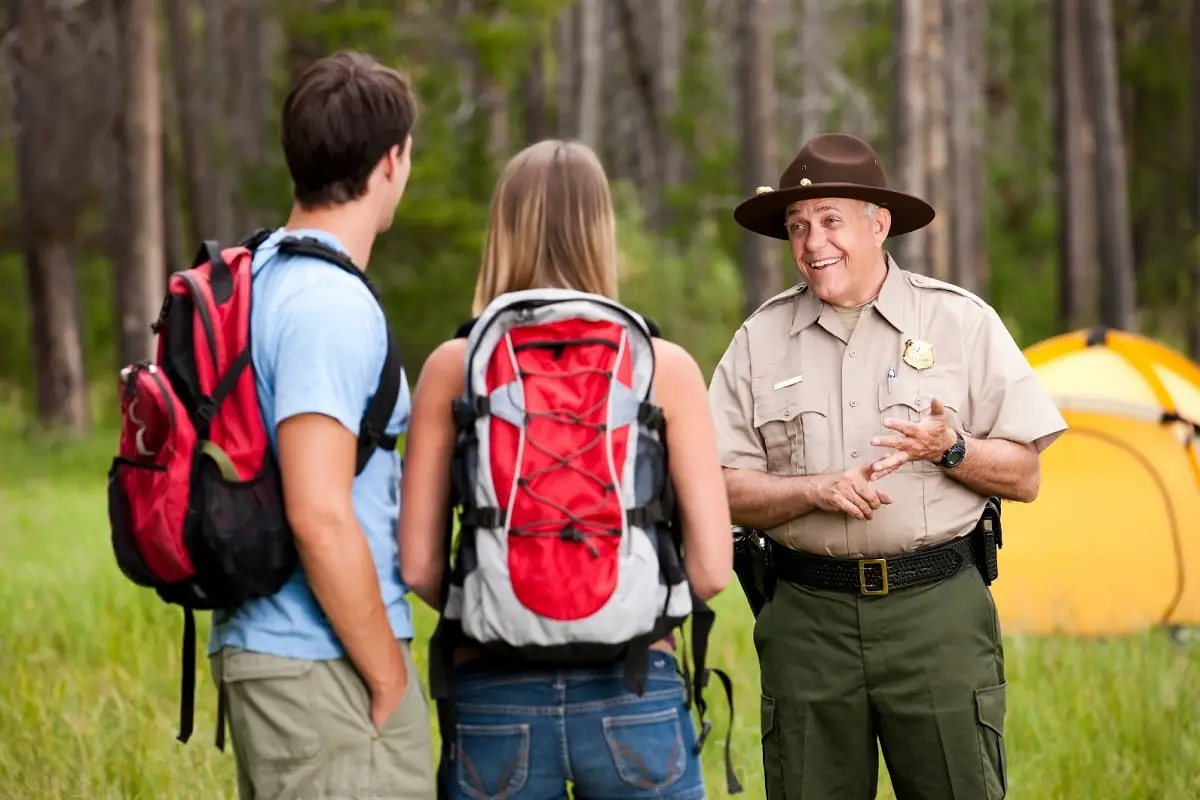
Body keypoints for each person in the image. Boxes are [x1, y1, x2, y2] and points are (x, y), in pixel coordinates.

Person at [709, 132, 1068, 800]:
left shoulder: (960, 323)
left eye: (830, 222)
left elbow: (1025, 474)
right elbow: (718, 488)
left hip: (936, 616)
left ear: (879, 224)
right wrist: (814, 490)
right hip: (806, 622)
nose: (814, 244)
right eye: (798, 227)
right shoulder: (759, 341)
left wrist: (949, 448)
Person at [399, 138, 734, 800]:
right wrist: (628, 611)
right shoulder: (662, 366)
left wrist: (503, 613)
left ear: (503, 230)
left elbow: (417, 566)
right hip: (635, 684)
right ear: (601, 231)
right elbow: (713, 568)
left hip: (493, 694)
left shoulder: (452, 366)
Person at [206, 51, 434, 799]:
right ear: (391, 161)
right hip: (320, 660)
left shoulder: (259, 273)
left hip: (276, 649)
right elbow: (318, 512)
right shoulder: (326, 305)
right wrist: (387, 671)